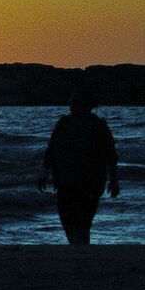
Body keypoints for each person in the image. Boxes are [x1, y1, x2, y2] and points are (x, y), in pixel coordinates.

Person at [39, 92, 120, 245]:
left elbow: (111, 154)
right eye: (72, 103)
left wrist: (114, 180)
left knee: (84, 220)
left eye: (77, 103)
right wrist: (44, 172)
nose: (73, 106)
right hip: (65, 179)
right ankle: (77, 247)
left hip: (91, 181)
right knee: (66, 217)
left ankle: (81, 249)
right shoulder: (63, 123)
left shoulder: (99, 125)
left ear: (88, 107)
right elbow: (51, 149)